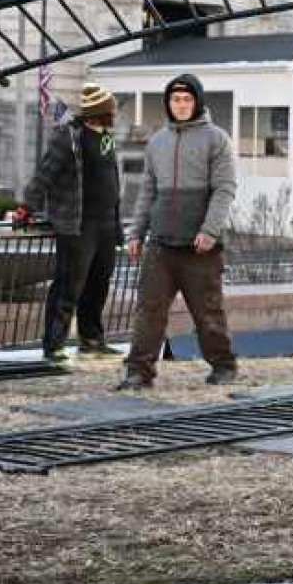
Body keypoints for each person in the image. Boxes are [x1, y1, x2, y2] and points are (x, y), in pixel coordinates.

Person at [120, 73, 238, 389]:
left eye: (187, 99)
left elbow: (224, 189)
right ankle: (138, 373)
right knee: (149, 311)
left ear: (197, 102)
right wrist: (135, 233)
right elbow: (147, 192)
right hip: (161, 244)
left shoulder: (217, 139)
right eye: (175, 99)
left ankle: (224, 366)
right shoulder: (157, 142)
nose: (181, 105)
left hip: (200, 246)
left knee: (208, 312)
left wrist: (210, 230)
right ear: (168, 103)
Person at [24, 83, 123, 361]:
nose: (115, 113)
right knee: (69, 285)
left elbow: (112, 179)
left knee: (99, 282)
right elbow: (45, 175)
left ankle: (91, 337)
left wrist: (116, 225)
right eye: (112, 109)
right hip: (78, 224)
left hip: (105, 224)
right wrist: (26, 208)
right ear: (102, 112)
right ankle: (54, 343)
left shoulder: (106, 138)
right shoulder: (69, 137)